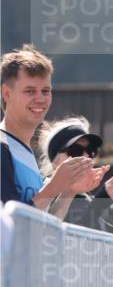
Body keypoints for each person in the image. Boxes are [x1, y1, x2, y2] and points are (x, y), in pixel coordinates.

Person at [1, 44, 107, 217]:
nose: (40, 99)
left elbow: (44, 229)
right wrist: (54, 187)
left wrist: (68, 191)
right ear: (6, 93)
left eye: (45, 91)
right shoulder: (2, 149)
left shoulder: (24, 152)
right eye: (29, 91)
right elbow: (11, 225)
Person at [38, 117, 113, 250]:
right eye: (75, 151)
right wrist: (102, 200)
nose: (86, 156)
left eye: (91, 151)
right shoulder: (45, 199)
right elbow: (68, 244)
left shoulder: (95, 203)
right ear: (55, 161)